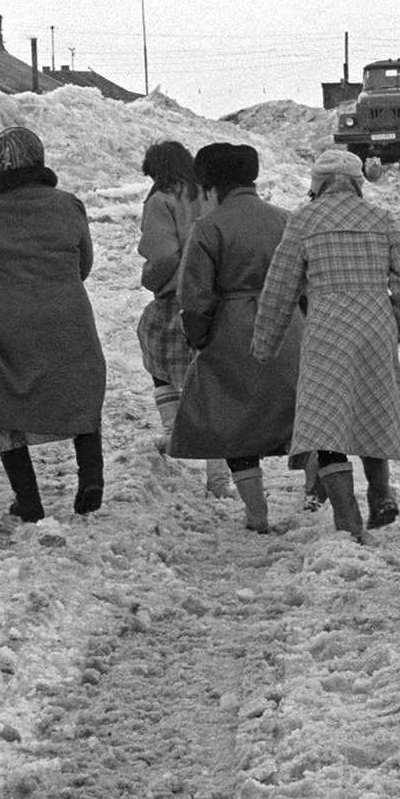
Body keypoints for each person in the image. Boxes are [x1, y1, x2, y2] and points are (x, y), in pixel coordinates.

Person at [0, 126, 105, 522]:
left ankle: (28, 499)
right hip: (68, 316)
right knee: (80, 391)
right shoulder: (68, 206)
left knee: (2, 400)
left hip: (5, 323)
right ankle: (90, 479)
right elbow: (84, 265)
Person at [253, 149, 400, 542]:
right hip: (374, 327)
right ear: (358, 182)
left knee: (326, 428)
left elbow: (280, 289)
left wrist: (265, 343)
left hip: (327, 330)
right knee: (373, 408)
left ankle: (348, 519)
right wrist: (395, 322)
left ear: (317, 184)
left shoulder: (304, 222)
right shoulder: (381, 219)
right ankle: (380, 493)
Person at [164, 143, 300, 533]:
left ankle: (256, 511)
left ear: (210, 187)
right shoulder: (285, 219)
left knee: (235, 422)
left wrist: (199, 336)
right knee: (294, 413)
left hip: (233, 329)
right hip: (290, 326)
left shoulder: (208, 228)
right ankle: (317, 485)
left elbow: (194, 295)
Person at [135, 139, 233, 497]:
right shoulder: (209, 195)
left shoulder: (161, 201)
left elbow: (161, 255)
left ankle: (174, 428)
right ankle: (219, 478)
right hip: (218, 299)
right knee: (211, 389)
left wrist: (151, 278)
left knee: (154, 353)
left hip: (177, 299)